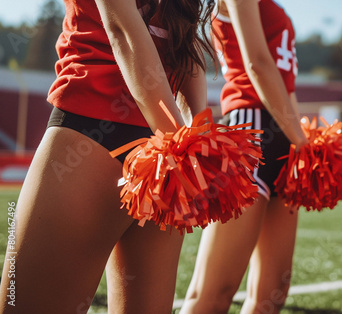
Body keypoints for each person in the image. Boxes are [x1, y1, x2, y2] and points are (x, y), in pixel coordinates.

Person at [0, 0, 216, 312]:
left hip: (93, 134)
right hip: (161, 158)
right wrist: (195, 141)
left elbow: (123, 32)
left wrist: (182, 145)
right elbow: (185, 46)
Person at [180, 0, 309, 312]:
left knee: (272, 292)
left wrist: (297, 142)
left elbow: (284, 80)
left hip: (285, 138)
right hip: (251, 132)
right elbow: (257, 64)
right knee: (214, 292)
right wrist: (303, 143)